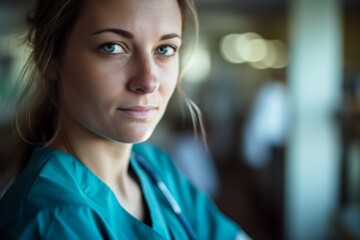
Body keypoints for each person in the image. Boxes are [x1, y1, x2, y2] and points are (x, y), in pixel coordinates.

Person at [0, 0, 251, 239]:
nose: (148, 81)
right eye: (112, 47)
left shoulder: (155, 167)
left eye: (164, 49)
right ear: (49, 57)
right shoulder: (49, 220)